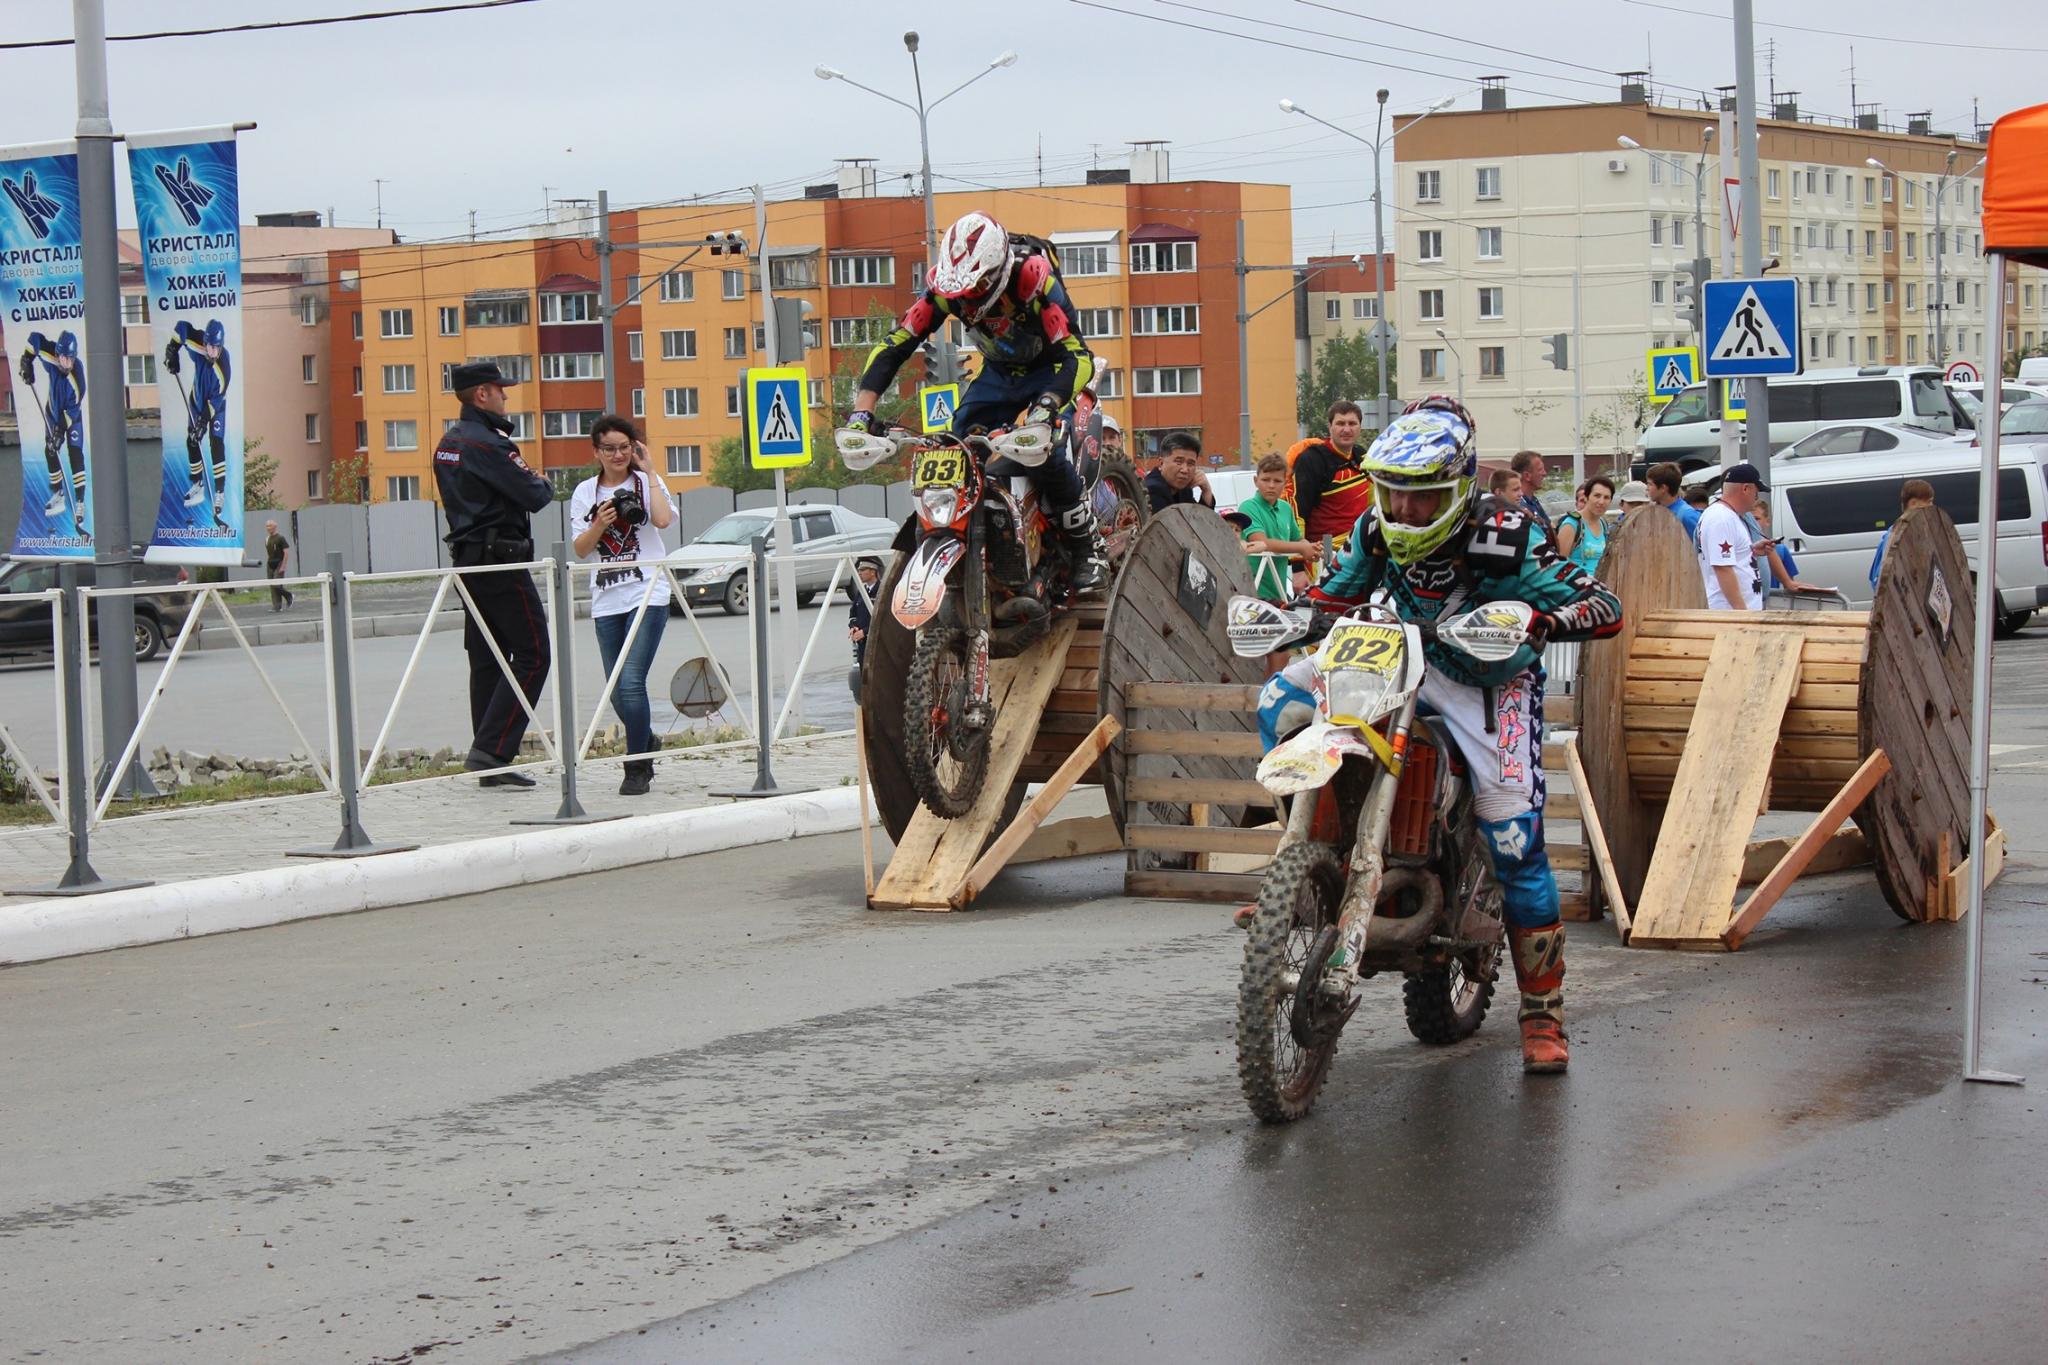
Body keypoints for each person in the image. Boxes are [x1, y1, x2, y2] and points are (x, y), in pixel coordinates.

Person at [1259, 396, 1623, 1073]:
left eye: (1421, 499)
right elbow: (1337, 596)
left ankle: (1543, 1011)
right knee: (1279, 699)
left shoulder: (1509, 531)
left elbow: (1603, 605)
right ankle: (1308, 862)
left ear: (1456, 490)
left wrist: (1540, 622)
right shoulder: (1375, 527)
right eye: (1392, 494)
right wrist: (1290, 616)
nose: (1404, 512)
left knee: (1515, 837)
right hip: (1397, 652)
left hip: (1487, 675)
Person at [843, 211, 1107, 594]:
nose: (965, 302)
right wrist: (861, 412)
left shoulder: (1032, 278)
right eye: (957, 294)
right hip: (999, 373)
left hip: (1052, 370)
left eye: (974, 289)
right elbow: (896, 344)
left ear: (996, 272)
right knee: (956, 452)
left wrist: (1047, 407)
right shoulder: (944, 289)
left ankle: (1087, 548)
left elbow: (1076, 355)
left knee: (1045, 450)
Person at [433, 360, 553, 789]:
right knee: (535, 652)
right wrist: (540, 481)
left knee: (486, 658)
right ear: (482, 394)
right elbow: (535, 494)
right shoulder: (489, 445)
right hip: (500, 561)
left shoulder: (448, 442)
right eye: (500, 390)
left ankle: (490, 763)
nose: (506, 396)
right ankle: (492, 749)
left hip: (467, 561)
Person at [570, 415, 676, 797]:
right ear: (597, 451)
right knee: (616, 690)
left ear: (635, 448)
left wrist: (649, 473)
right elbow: (580, 550)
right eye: (610, 448)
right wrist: (599, 523)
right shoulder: (585, 492)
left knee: (632, 682)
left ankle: (637, 768)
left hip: (647, 593)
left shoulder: (647, 482)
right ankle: (646, 738)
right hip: (606, 600)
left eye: (625, 447)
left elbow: (662, 520)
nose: (618, 454)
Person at [163, 318, 232, 528]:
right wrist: (172, 351)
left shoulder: (223, 366)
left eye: (216, 348)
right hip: (197, 398)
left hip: (215, 406)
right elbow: (182, 326)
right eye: (210, 347)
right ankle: (198, 483)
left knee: (216, 443)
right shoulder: (198, 344)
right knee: (192, 441)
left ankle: (219, 491)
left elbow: (218, 397)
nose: (212, 352)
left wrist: (203, 420)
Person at [17, 330, 87, 535]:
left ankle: (80, 501)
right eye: (62, 358)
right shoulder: (51, 355)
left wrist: (59, 433)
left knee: (75, 454)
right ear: (57, 354)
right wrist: (26, 362)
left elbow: (72, 412)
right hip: (53, 411)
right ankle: (58, 494)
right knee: (50, 451)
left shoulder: (78, 379)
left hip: (71, 418)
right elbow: (34, 339)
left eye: (69, 359)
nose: (65, 363)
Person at [1290, 400, 1375, 551]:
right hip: (1324, 555)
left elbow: (1373, 505)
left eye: (1352, 423)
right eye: (1340, 424)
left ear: (1360, 427)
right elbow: (1298, 512)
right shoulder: (1312, 459)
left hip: (1360, 550)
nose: (1347, 429)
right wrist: (1299, 565)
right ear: (1330, 427)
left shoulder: (1362, 455)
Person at [1698, 463, 1767, 610]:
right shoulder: (1721, 518)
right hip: (1729, 613)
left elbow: (1726, 558)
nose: (1757, 497)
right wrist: (1742, 614)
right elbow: (1722, 568)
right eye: (1757, 490)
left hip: (1734, 613)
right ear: (1745, 488)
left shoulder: (1727, 515)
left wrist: (1751, 550)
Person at [1870, 479, 1936, 588]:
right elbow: (1882, 577)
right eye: (1928, 501)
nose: (1932, 506)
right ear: (1913, 503)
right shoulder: (1895, 534)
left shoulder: (1924, 530)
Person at [1554, 475, 1614, 576]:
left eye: (1606, 497)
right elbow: (1559, 566)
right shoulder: (1571, 524)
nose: (1601, 502)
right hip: (1577, 588)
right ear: (1586, 497)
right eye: (1597, 496)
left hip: (1600, 587)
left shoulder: (1603, 524)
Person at [1144, 431, 1217, 513]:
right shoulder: (1152, 490)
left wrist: (1206, 490)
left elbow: (1201, 521)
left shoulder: (1184, 490)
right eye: (1179, 462)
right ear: (1161, 463)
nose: (1185, 470)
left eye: (1190, 463)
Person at [1645, 461, 1701, 544]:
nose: (1647, 488)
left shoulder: (1687, 516)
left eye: (1650, 484)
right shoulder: (1653, 511)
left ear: (1663, 488)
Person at [1510, 449, 1554, 543]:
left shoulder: (1534, 502)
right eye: (1540, 469)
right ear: (1527, 476)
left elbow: (1549, 527)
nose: (1544, 473)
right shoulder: (1519, 506)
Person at [263, 519, 293, 612]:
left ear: (275, 526)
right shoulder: (267, 539)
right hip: (270, 563)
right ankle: (276, 606)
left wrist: (283, 566)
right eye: (267, 526)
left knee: (277, 584)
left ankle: (289, 595)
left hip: (279, 562)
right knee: (272, 585)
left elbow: (286, 552)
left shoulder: (280, 538)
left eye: (270, 526)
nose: (268, 528)